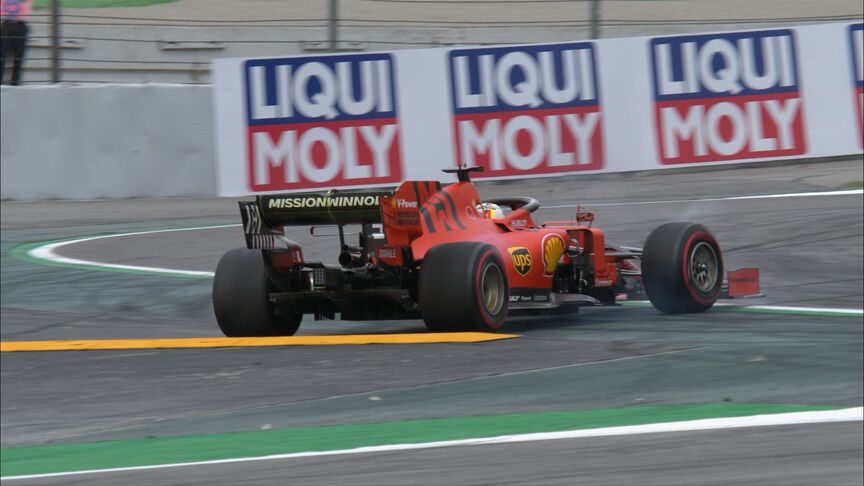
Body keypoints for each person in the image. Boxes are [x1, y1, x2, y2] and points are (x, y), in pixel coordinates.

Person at [0, 0, 31, 85]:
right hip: (7, 24)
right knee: (2, 58)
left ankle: (15, 84)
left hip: (20, 25)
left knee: (18, 59)